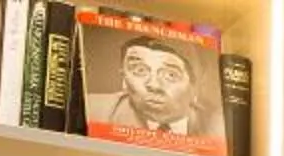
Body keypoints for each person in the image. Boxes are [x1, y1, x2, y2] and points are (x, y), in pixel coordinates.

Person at [92, 31, 220, 141]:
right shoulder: (94, 112)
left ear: (195, 84)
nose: (153, 85)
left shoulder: (220, 129)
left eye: (170, 74)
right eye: (140, 70)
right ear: (124, 76)